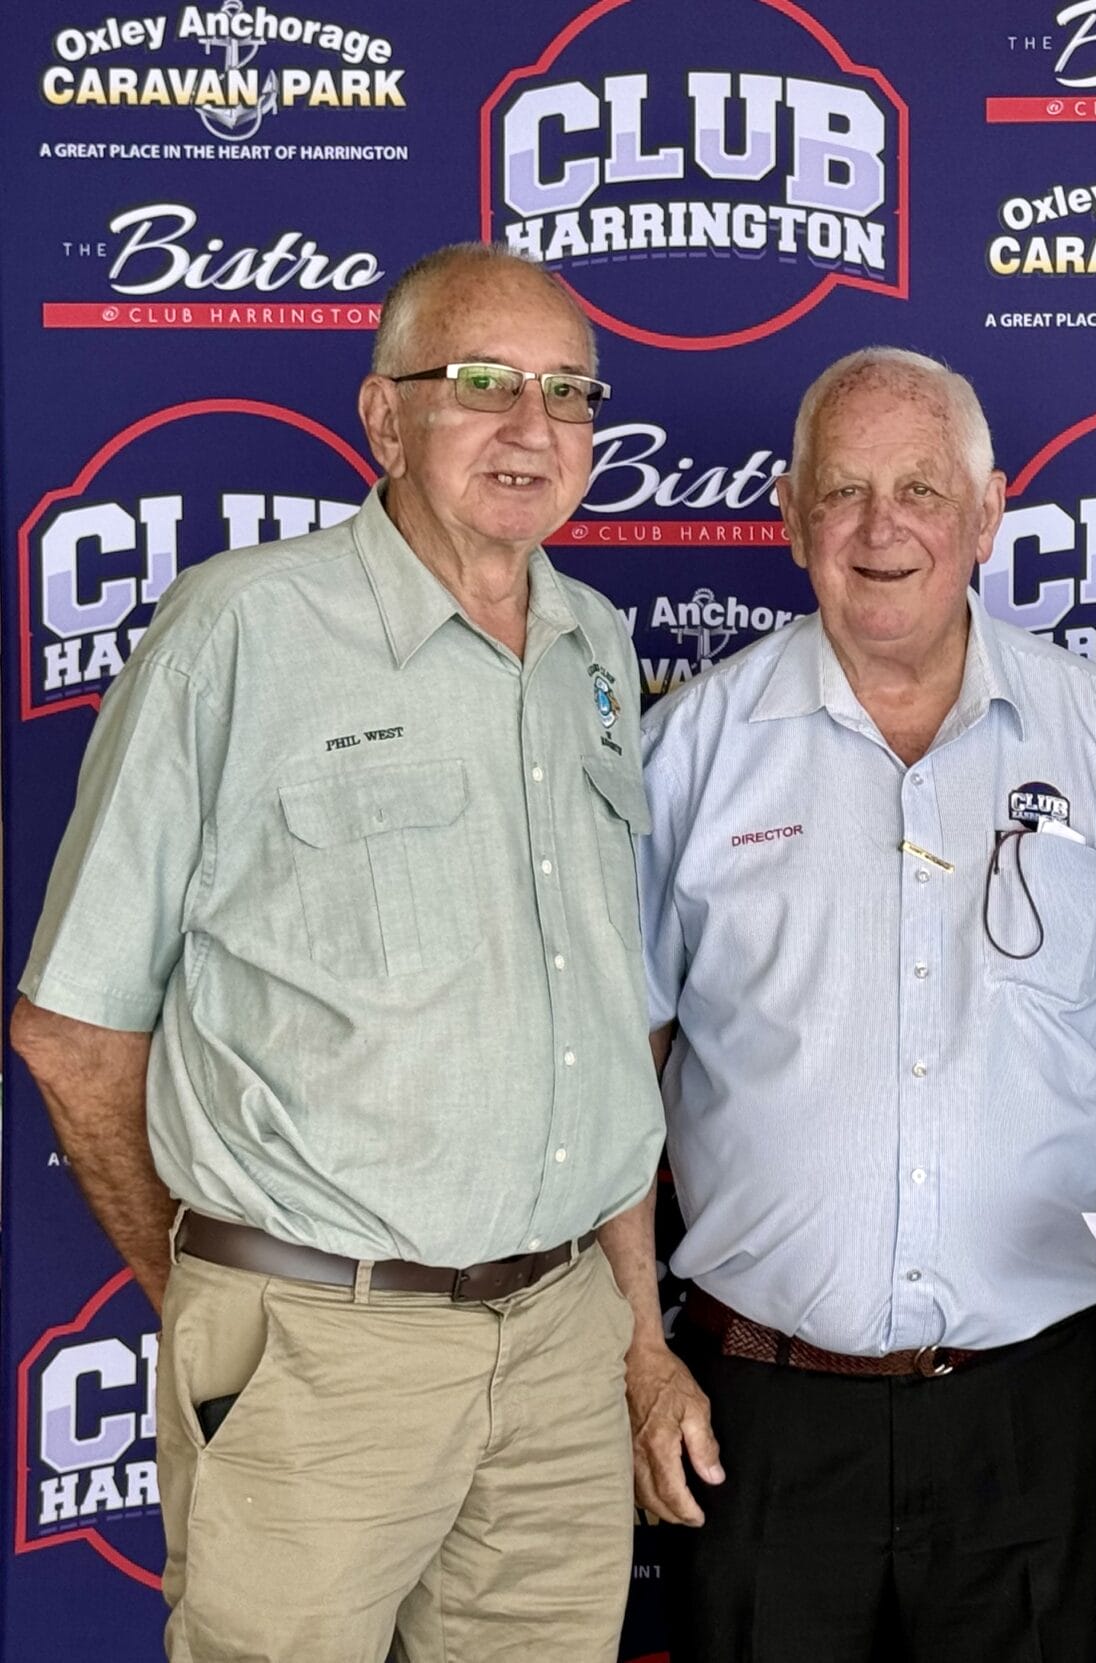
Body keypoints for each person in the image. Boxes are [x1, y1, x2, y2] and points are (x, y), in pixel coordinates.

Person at [10, 243, 664, 1663]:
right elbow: (73, 1029)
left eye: (569, 394)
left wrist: (628, 1321)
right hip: (319, 1344)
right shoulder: (238, 629)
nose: (531, 427)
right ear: (383, 414)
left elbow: (609, 1021)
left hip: (560, 1347)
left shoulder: (595, 649)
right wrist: (211, 1296)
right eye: (481, 384)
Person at [613, 346, 1096, 1662]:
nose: (880, 525)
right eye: (842, 491)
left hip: (1043, 1397)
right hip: (760, 1404)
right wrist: (635, 1342)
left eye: (919, 487)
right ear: (790, 516)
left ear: (987, 512)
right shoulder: (694, 750)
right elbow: (623, 1055)